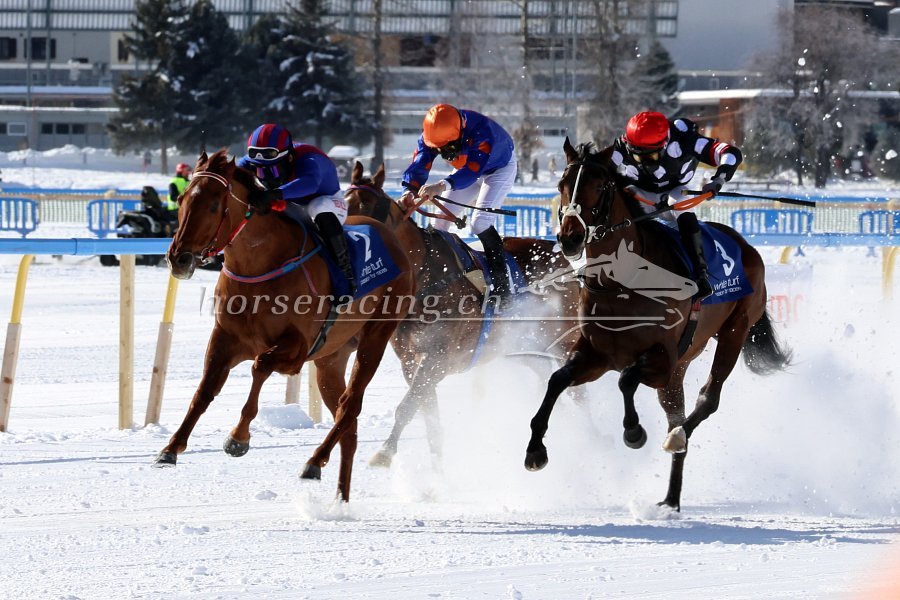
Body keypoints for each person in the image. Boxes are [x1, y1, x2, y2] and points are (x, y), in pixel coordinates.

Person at [610, 111, 743, 299]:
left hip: (677, 191)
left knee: (679, 202)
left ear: (665, 144)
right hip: (640, 194)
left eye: (651, 157)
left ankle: (700, 274)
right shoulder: (620, 148)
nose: (645, 163)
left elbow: (729, 152)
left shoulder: (685, 139)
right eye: (639, 157)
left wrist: (719, 179)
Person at [399, 103, 517, 301]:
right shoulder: (430, 136)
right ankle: (441, 277)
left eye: (447, 148)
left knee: (480, 223)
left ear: (460, 132)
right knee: (440, 226)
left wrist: (441, 186)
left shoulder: (482, 131)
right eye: (438, 149)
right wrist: (408, 191)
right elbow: (420, 163)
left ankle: (502, 287)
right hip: (466, 171)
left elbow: (472, 172)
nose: (442, 152)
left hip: (498, 169)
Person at [238, 123, 355, 300]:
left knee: (319, 207)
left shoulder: (310, 160)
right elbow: (233, 175)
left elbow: (309, 183)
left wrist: (274, 194)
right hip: (288, 202)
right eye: (260, 169)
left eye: (272, 169)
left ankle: (345, 272)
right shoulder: (251, 160)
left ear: (290, 157)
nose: (266, 175)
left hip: (327, 201)